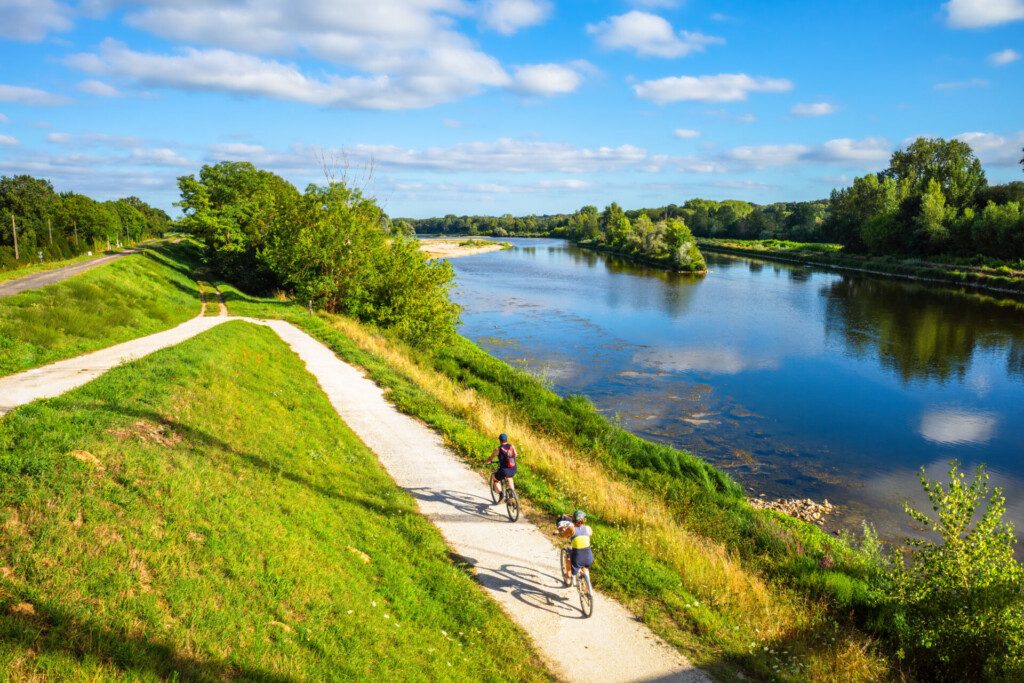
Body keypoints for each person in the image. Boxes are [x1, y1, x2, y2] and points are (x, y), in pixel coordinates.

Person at [485, 433, 518, 501]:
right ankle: (512, 495)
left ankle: (501, 494)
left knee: (495, 480)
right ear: (507, 440)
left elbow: (491, 458)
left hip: (504, 470)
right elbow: (515, 455)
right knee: (509, 477)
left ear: (499, 440)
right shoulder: (512, 446)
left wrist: (487, 462)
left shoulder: (498, 449)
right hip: (513, 468)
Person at [566, 509, 593, 579]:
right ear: (584, 520)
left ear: (573, 520)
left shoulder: (571, 529)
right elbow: (588, 535)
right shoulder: (588, 528)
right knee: (585, 568)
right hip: (589, 557)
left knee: (568, 556)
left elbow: (563, 535)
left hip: (577, 557)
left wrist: (558, 533)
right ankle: (588, 588)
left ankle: (568, 574)